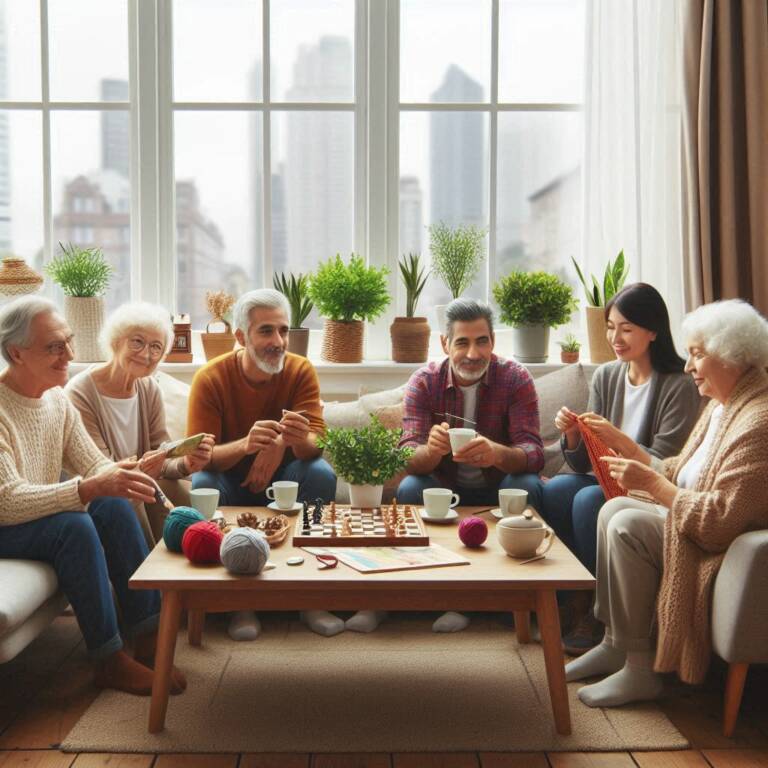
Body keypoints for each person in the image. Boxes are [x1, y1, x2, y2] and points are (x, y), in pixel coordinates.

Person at [565, 299, 768, 708]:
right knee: (611, 509)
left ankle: (640, 669)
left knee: (627, 524)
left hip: (718, 547)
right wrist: (629, 451)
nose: (690, 367)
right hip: (691, 523)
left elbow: (719, 521)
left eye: (697, 355)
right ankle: (616, 643)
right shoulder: (722, 407)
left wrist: (654, 487)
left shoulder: (758, 423)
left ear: (732, 357)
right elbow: (680, 470)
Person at [0, 296, 186, 696]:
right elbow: (7, 501)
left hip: (28, 520)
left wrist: (122, 476)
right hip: (5, 522)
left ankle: (150, 634)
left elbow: (95, 465)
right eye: (54, 346)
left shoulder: (55, 401)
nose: (70, 353)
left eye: (68, 341)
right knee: (75, 525)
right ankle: (108, 659)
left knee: (112, 499)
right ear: (16, 352)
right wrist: (87, 488)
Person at [539, 283, 700, 654]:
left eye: (626, 328)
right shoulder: (607, 376)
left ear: (654, 331)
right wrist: (573, 435)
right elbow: (579, 463)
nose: (615, 337)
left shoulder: (679, 385)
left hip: (647, 487)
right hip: (602, 479)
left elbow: (665, 461)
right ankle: (574, 598)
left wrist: (614, 437)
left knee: (586, 499)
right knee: (555, 490)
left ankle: (599, 613)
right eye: (610, 326)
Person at [188, 289, 357, 640]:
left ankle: (309, 598)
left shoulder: (300, 370)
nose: (278, 341)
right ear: (240, 337)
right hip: (230, 483)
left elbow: (318, 446)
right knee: (204, 482)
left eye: (283, 330)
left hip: (287, 480)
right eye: (266, 331)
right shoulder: (211, 378)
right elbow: (200, 456)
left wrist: (284, 442)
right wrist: (248, 445)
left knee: (321, 474)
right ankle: (239, 603)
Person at [397, 298, 544, 633]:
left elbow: (533, 452)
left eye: (482, 341)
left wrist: (498, 453)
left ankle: (523, 601)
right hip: (445, 488)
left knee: (527, 485)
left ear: (493, 341)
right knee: (410, 489)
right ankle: (441, 597)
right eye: (462, 342)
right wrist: (432, 452)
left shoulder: (515, 378)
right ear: (445, 343)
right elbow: (406, 457)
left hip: (500, 484)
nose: (473, 354)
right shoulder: (424, 381)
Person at [66, 302, 214, 547]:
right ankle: (149, 575)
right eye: (137, 342)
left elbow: (161, 455)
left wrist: (187, 463)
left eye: (156, 347)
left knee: (185, 498)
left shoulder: (148, 388)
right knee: (135, 496)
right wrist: (148, 469)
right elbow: (99, 471)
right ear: (115, 342)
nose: (146, 354)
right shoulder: (80, 393)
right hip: (102, 494)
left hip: (138, 482)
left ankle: (198, 566)